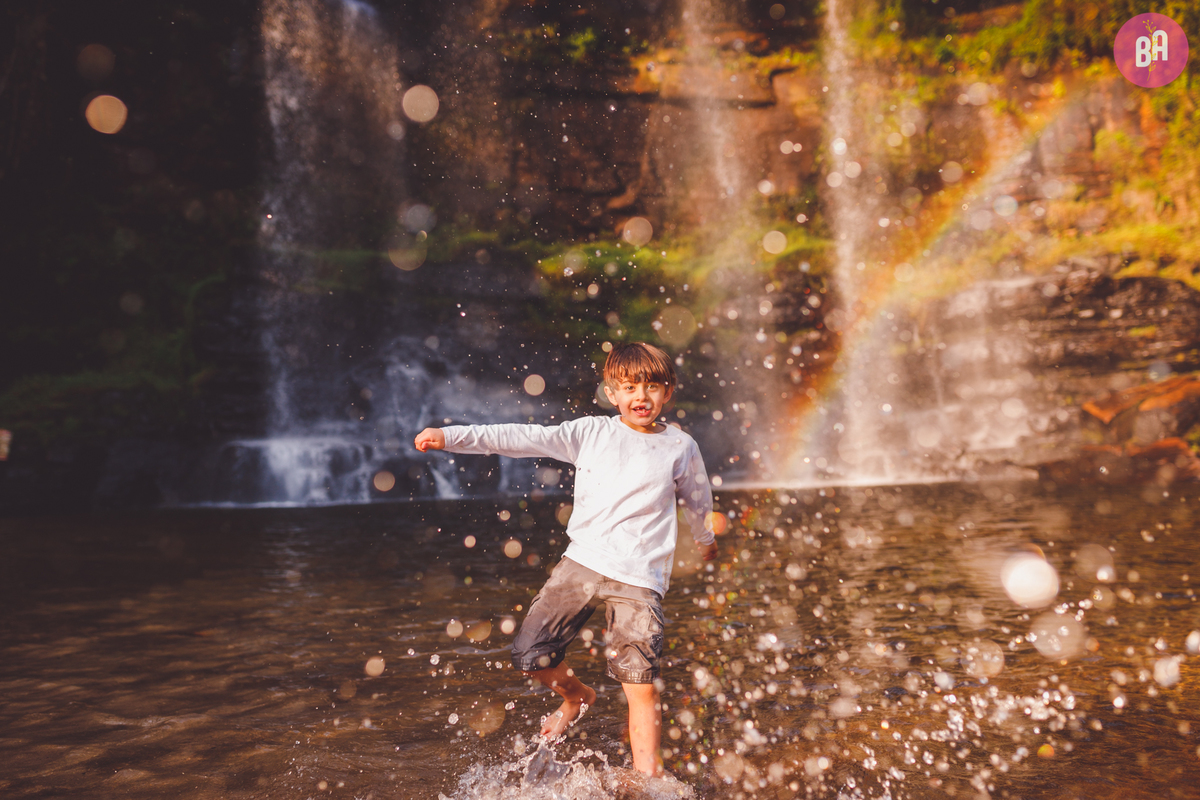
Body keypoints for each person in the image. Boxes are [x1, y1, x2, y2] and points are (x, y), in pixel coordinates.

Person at [413, 342, 718, 776]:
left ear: (669, 392)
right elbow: (520, 437)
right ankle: (576, 696)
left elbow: (697, 498)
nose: (641, 397)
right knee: (529, 653)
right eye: (629, 387)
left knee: (640, 683)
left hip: (640, 579)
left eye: (652, 387)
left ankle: (647, 778)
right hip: (582, 565)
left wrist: (705, 538)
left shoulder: (680, 446)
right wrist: (451, 437)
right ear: (612, 393)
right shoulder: (591, 433)